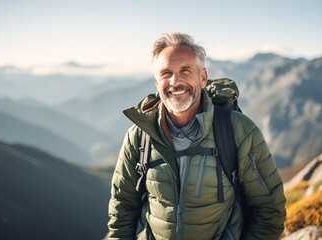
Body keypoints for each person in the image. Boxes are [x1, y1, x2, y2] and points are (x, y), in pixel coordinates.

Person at [106, 32, 286, 240]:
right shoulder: (139, 137)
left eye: (185, 70)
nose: (175, 81)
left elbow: (269, 212)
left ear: (202, 78)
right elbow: (122, 212)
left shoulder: (239, 130)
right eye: (166, 73)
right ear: (157, 82)